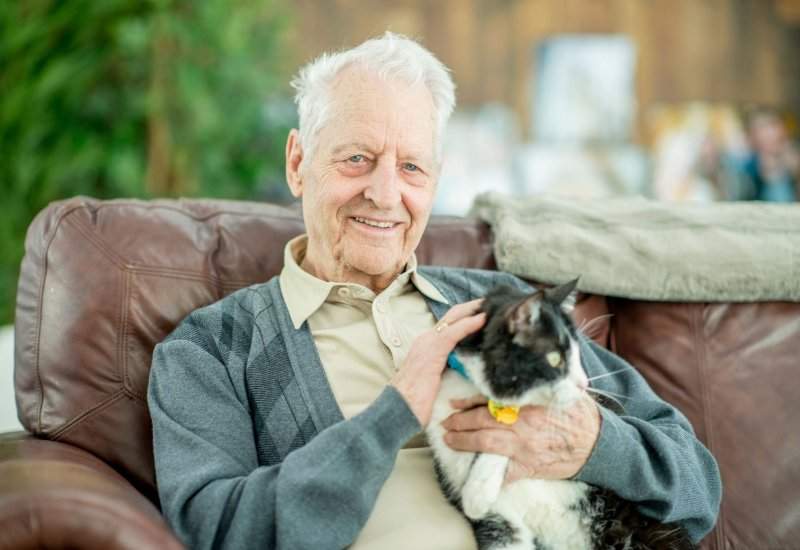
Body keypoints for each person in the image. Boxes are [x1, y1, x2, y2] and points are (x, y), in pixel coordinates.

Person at [148, 33, 721, 550]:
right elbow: (218, 528)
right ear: (298, 163)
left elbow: (697, 484)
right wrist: (394, 412)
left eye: (413, 168)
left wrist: (588, 442)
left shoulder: (501, 305)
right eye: (357, 159)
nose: (385, 193)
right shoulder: (214, 348)